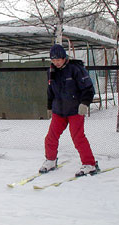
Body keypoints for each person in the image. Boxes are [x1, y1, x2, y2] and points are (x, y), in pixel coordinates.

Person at [39, 44, 97, 177]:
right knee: (51, 137)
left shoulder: (76, 69)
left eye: (58, 59)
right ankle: (51, 160)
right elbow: (50, 91)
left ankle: (89, 164)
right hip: (59, 110)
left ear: (64, 58)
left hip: (75, 110)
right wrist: (49, 106)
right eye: (53, 60)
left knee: (78, 137)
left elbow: (88, 88)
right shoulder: (51, 71)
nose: (56, 62)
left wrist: (84, 103)